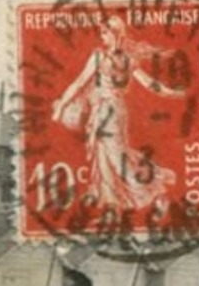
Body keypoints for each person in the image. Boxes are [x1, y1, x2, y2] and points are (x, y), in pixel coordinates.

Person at [51, 15, 186, 215]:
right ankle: (109, 201)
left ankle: (155, 194)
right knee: (107, 153)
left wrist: (61, 106)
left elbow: (79, 83)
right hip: (114, 110)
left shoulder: (100, 57)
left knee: (116, 156)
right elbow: (151, 84)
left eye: (105, 33)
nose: (102, 37)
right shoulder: (128, 60)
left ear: (115, 34)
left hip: (107, 112)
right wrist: (171, 92)